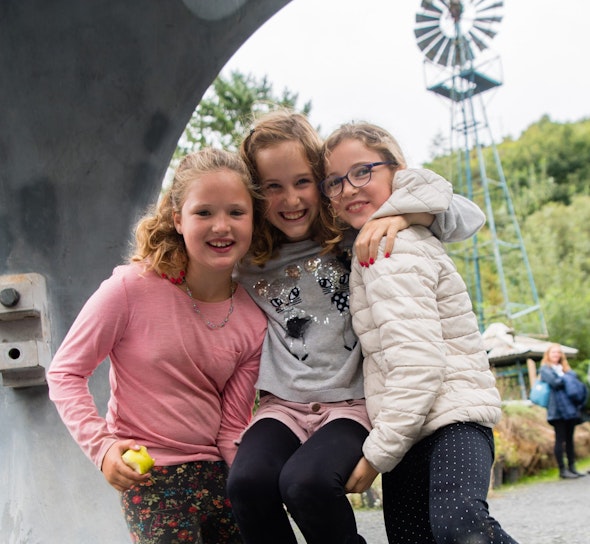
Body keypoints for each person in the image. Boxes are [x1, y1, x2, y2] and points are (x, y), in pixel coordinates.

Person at [226, 110, 487, 544]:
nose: (290, 199)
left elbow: (467, 215)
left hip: (352, 405)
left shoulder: (354, 234)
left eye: (302, 182)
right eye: (273, 187)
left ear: (321, 183)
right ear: (256, 193)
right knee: (246, 484)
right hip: (283, 406)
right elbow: (193, 241)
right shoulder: (248, 258)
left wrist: (402, 214)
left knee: (306, 484)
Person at [46, 148, 268, 544]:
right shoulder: (129, 289)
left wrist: (255, 482)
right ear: (177, 219)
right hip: (151, 475)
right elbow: (65, 372)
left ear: (253, 219)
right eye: (204, 212)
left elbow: (232, 426)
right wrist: (103, 448)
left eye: (236, 212)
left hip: (220, 477)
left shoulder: (252, 318)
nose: (222, 226)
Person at [322, 121, 517, 544]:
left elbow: (419, 363)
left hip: (449, 418)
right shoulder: (369, 241)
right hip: (410, 427)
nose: (349, 188)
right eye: (334, 182)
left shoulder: (392, 245)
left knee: (461, 527)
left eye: (362, 171)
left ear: (397, 171)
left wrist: (374, 456)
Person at [539, 343, 588, 479]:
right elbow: (555, 383)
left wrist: (564, 378)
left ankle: (572, 467)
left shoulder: (565, 369)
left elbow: (572, 382)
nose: (556, 355)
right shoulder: (545, 369)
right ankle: (562, 470)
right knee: (560, 439)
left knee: (570, 439)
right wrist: (567, 379)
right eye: (553, 352)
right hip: (557, 410)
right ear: (548, 355)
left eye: (558, 353)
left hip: (570, 409)